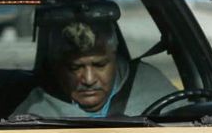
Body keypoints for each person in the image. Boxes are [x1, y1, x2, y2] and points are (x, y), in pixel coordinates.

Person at [13, 18, 176, 118]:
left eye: (100, 65)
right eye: (75, 67)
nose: (89, 79)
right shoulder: (35, 112)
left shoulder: (151, 85)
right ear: (58, 66)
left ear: (115, 57)